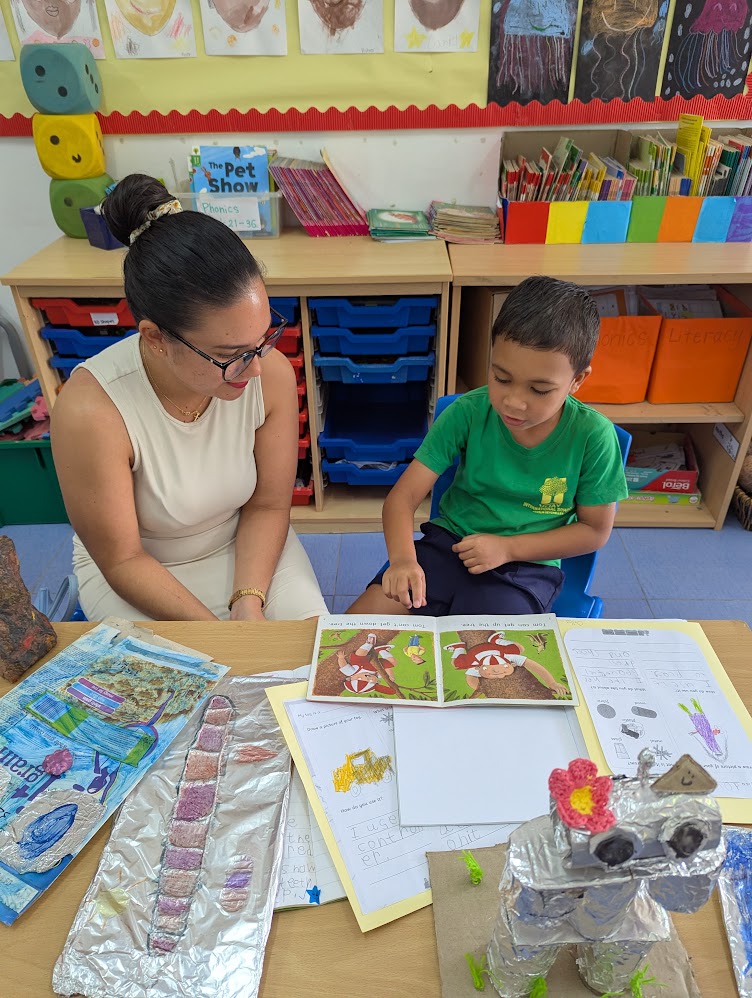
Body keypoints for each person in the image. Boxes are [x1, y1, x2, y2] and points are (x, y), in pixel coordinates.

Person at [51, 174, 327, 623]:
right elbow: (122, 559)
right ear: (156, 338)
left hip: (248, 548)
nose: (255, 367)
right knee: (195, 670)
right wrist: (220, 638)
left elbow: (268, 505)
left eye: (263, 338)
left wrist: (248, 600)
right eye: (230, 355)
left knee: (313, 653)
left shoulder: (267, 372)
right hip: (140, 569)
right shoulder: (92, 411)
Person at [348, 276, 628, 616]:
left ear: (577, 380)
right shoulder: (467, 412)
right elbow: (402, 498)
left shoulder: (593, 436)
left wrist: (508, 548)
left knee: (482, 647)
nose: (513, 402)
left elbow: (594, 531)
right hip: (449, 546)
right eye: (501, 378)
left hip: (526, 566)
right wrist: (403, 560)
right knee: (355, 631)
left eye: (539, 390)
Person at [444, 632, 568, 696]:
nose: (497, 672)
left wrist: (552, 683)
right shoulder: (475, 664)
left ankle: (497, 640)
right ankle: (459, 648)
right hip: (476, 653)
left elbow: (536, 667)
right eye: (489, 669)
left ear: (512, 664)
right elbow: (470, 679)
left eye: (504, 667)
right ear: (479, 668)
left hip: (498, 649)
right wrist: (481, 688)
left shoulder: (510, 657)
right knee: (457, 663)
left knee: (519, 648)